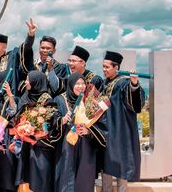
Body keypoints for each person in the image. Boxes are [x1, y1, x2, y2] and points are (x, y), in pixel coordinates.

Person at [52, 72, 107, 192]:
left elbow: (102, 125)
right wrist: (62, 120)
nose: (81, 86)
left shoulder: (91, 101)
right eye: (77, 83)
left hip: (85, 146)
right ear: (71, 84)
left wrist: (88, 131)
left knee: (84, 178)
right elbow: (51, 122)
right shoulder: (60, 100)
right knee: (66, 177)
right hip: (66, 146)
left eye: (83, 84)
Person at [100, 51, 145, 192]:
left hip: (120, 132)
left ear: (116, 68)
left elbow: (136, 104)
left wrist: (134, 84)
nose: (104, 69)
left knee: (122, 166)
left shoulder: (124, 84)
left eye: (107, 67)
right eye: (103, 66)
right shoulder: (105, 84)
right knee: (106, 166)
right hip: (106, 132)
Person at [15, 70, 56, 192]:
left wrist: (35, 130)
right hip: (25, 144)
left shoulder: (47, 100)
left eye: (28, 79)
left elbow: (51, 123)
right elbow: (18, 116)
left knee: (40, 177)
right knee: (25, 176)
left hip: (41, 146)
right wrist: (23, 127)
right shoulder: (26, 95)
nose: (26, 82)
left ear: (35, 81)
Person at [0, 72, 19, 192]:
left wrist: (10, 95)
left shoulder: (9, 98)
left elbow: (14, 114)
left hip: (6, 137)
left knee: (6, 171)